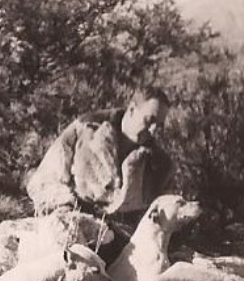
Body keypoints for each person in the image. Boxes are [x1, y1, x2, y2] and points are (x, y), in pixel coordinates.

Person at [25, 87, 175, 218]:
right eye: (150, 120)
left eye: (159, 125)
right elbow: (44, 180)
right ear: (131, 110)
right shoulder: (86, 128)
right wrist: (67, 208)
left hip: (125, 239)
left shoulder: (159, 164)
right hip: (72, 219)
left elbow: (161, 212)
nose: (154, 130)